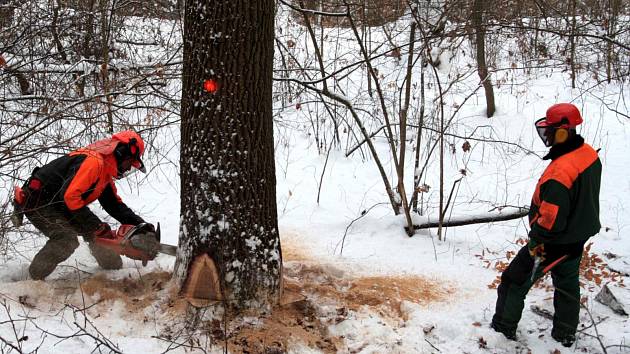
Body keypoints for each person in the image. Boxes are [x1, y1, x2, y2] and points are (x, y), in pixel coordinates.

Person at [491, 103, 601, 347]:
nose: (547, 136)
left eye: (550, 131)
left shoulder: (560, 173)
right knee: (567, 284)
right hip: (577, 237)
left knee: (513, 281)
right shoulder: (588, 154)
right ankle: (565, 333)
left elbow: (551, 220)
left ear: (563, 132)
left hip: (553, 242)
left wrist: (536, 240)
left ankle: (501, 331)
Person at [12, 131, 155, 280]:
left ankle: (113, 268)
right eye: (129, 163)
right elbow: (70, 197)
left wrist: (140, 225)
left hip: (59, 203)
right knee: (66, 238)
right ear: (121, 153)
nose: (127, 169)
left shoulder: (104, 172)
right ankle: (32, 278)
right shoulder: (94, 163)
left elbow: (114, 205)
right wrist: (94, 225)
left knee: (100, 233)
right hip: (38, 200)